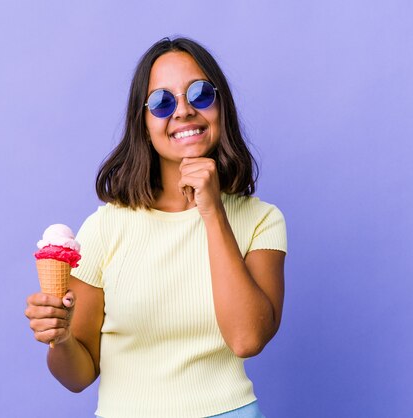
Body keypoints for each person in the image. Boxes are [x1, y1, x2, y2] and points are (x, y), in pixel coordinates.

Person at [25, 36, 287, 418]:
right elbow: (78, 376)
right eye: (163, 102)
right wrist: (61, 338)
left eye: (200, 94)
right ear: (143, 123)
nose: (183, 111)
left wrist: (212, 210)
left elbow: (247, 339)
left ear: (221, 107)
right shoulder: (104, 229)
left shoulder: (262, 220)